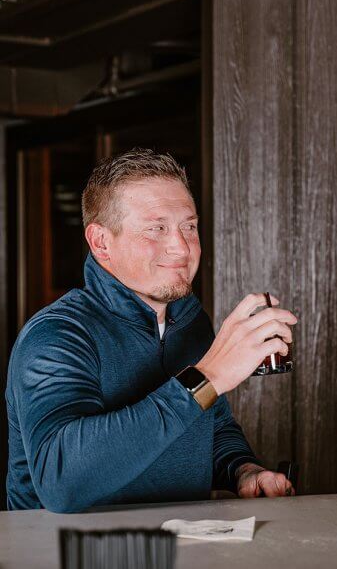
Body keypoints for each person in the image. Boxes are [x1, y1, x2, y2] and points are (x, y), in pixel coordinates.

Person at [6, 148, 297, 512]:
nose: (181, 247)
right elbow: (62, 482)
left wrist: (243, 469)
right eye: (156, 228)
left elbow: (210, 427)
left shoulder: (190, 322)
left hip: (180, 547)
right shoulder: (57, 336)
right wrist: (207, 377)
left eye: (188, 226)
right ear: (101, 242)